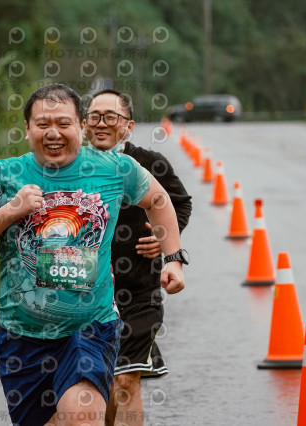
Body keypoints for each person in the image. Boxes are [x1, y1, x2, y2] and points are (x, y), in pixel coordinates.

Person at [0, 83, 186, 426]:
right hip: (21, 334)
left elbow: (158, 200)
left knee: (82, 417)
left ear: (81, 126)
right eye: (43, 124)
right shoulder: (7, 174)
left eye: (63, 123)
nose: (53, 133)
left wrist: (173, 259)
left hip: (89, 327)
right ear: (27, 130)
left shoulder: (115, 168)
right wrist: (11, 210)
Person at [84, 90, 192, 425]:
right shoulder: (71, 167)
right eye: (95, 116)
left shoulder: (148, 162)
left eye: (111, 117)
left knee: (127, 379)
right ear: (84, 124)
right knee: (98, 385)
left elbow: (179, 204)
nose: (102, 123)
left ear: (128, 126)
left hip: (138, 290)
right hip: (84, 294)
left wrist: (164, 243)